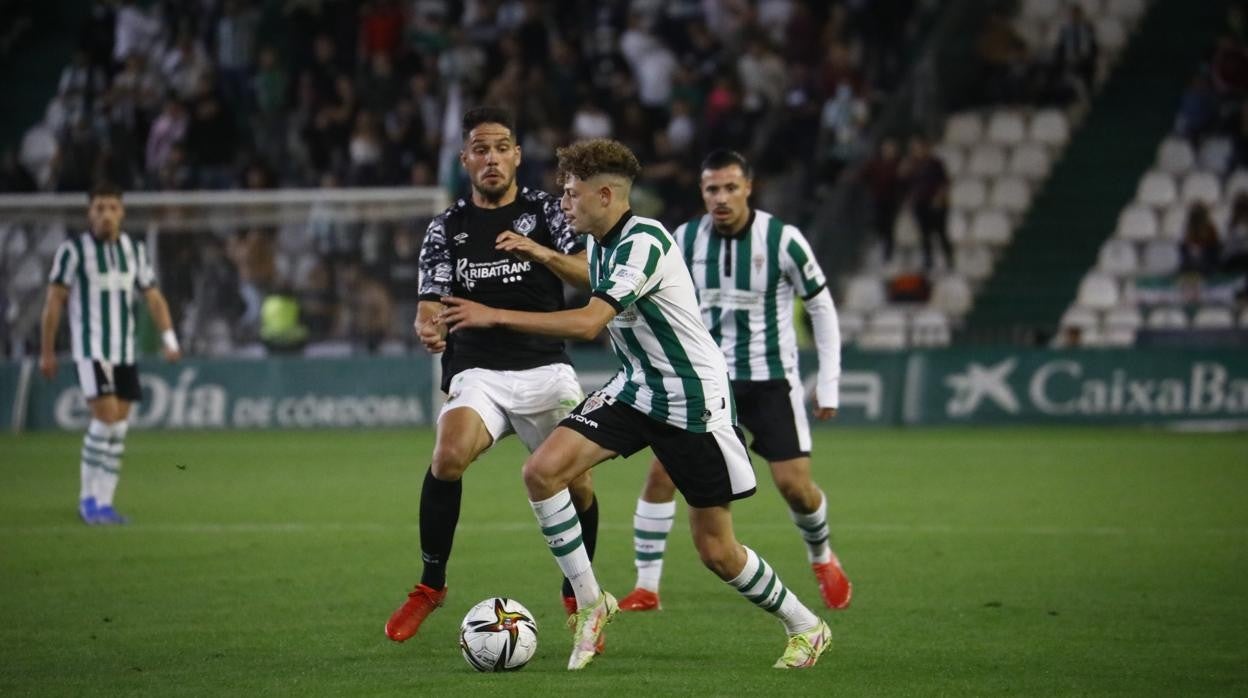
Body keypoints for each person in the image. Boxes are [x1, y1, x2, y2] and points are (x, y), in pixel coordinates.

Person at [439, 139, 833, 671]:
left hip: (691, 400)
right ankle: (590, 600)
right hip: (637, 387)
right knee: (542, 472)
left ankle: (806, 625)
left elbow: (586, 322)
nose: (563, 204)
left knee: (717, 551)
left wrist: (495, 315)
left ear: (606, 195)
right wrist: (544, 255)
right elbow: (591, 277)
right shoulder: (601, 238)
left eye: (573, 194)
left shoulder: (645, 240)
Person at [384, 107, 599, 643]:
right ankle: (431, 584)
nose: (492, 158)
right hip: (477, 369)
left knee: (577, 486)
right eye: (481, 149)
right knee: (447, 456)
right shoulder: (446, 226)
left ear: (518, 156)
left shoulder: (549, 210)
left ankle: (579, 591)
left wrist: (537, 251)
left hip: (546, 366)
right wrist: (429, 328)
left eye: (502, 147)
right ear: (466, 160)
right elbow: (428, 303)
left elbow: (590, 273)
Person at [615, 149, 851, 614]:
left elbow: (820, 306)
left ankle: (822, 556)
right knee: (662, 472)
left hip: (769, 382)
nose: (720, 198)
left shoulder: (783, 239)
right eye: (711, 189)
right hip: (704, 383)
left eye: (729, 187)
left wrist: (830, 380)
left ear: (748, 187)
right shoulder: (682, 238)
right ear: (702, 192)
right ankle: (646, 587)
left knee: (794, 486)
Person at [39, 181, 182, 525]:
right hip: (92, 351)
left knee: (119, 427)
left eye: (112, 208)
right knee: (104, 419)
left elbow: (153, 297)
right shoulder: (73, 252)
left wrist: (170, 339)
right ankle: (87, 499)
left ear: (122, 212)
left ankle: (105, 502)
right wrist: (47, 351)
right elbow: (54, 302)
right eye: (99, 208)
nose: (106, 215)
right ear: (90, 213)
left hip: (124, 351)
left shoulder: (134, 251)